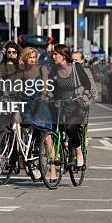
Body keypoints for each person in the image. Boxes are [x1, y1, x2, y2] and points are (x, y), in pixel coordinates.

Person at [47, 44, 92, 179]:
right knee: (54, 129)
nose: (53, 56)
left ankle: (78, 152)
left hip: (75, 103)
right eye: (53, 54)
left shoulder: (76, 67)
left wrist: (84, 94)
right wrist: (45, 95)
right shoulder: (54, 69)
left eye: (56, 54)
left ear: (63, 56)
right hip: (58, 103)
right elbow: (49, 85)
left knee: (70, 128)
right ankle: (59, 154)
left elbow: (87, 84)